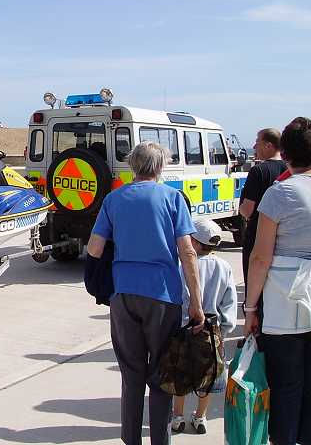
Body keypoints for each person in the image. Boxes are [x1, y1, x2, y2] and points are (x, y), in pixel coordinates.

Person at [86, 141, 203, 445]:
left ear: (132, 166)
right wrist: (197, 302)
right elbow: (187, 252)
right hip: (163, 294)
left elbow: (95, 248)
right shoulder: (173, 198)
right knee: (161, 373)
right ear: (161, 166)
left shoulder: (114, 199)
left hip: (124, 293)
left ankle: (131, 439)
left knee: (132, 373)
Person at [244, 117, 311, 445]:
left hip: (285, 299)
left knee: (285, 388)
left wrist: (250, 308)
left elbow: (260, 258)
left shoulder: (280, 193)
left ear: (286, 153)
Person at [171, 218, 237, 436]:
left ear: (195, 243)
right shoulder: (224, 266)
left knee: (180, 374)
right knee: (206, 377)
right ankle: (200, 417)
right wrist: (225, 328)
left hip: (185, 328)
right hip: (212, 330)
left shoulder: (184, 266)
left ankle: (178, 416)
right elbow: (229, 301)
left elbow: (179, 297)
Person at [238, 128, 287, 292]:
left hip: (258, 236)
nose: (254, 146)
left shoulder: (258, 171)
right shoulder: (290, 169)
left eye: (257, 142)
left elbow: (247, 209)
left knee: (254, 287)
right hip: (283, 238)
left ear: (268, 145)